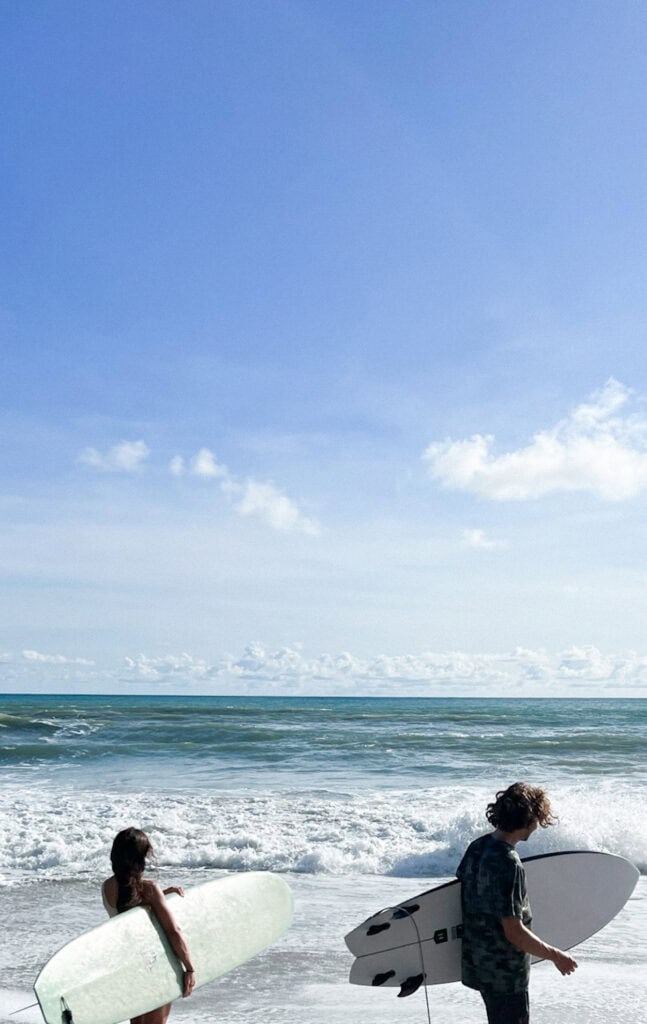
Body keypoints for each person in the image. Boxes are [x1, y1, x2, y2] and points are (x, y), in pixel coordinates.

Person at [456, 783, 577, 1024]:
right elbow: (513, 931)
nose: (539, 825)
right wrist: (556, 956)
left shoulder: (477, 847)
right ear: (528, 819)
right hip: (506, 973)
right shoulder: (508, 862)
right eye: (538, 818)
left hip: (480, 963)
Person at [102, 827, 196, 1024]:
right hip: (154, 965)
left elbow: (130, 911)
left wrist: (160, 896)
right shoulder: (149, 889)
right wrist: (189, 968)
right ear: (140, 859)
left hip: (127, 966)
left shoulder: (107, 888)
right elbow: (173, 932)